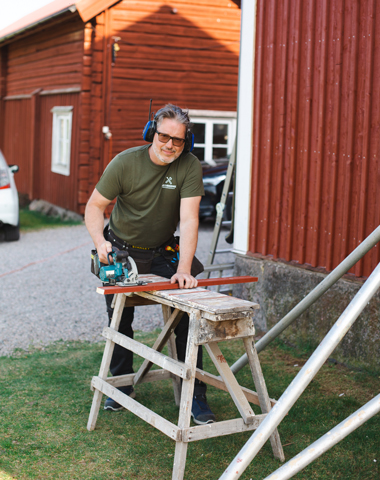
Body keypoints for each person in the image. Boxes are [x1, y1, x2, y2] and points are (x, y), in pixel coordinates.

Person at [85, 104, 215, 425]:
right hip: (120, 248)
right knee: (120, 320)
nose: (169, 145)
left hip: (162, 250)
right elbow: (94, 206)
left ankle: (195, 396)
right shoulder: (125, 163)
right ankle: (121, 387)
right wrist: (100, 243)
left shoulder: (189, 166)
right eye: (163, 136)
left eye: (177, 140)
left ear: (188, 143)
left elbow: (189, 220)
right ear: (150, 132)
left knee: (187, 318)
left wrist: (184, 269)